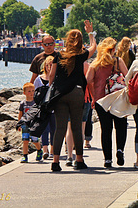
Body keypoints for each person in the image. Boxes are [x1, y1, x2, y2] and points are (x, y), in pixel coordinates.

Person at [48, 20, 96, 172]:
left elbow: (51, 76)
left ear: (67, 41)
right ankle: (79, 160)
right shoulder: (80, 55)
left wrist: (51, 90)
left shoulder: (59, 56)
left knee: (60, 128)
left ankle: (55, 162)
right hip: (76, 92)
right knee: (76, 127)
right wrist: (90, 33)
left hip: (60, 95)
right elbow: (94, 47)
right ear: (80, 42)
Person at [85, 37, 129, 169]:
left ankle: (108, 159)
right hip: (117, 98)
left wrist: (93, 96)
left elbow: (88, 80)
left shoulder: (95, 63)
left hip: (101, 100)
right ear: (114, 49)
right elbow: (127, 78)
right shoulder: (117, 61)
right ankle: (120, 150)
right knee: (121, 125)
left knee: (106, 129)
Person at [33, 56, 56, 160]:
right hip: (42, 108)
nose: (49, 67)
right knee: (44, 130)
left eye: (51, 65)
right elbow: (35, 93)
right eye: (47, 65)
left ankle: (53, 150)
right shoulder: (39, 79)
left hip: (54, 108)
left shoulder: (57, 78)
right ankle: (45, 150)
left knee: (54, 129)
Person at [17, 82, 43, 163]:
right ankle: (25, 156)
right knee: (25, 140)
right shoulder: (23, 103)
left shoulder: (36, 102)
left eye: (33, 91)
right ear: (24, 93)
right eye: (29, 91)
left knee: (35, 140)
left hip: (34, 124)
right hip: (25, 124)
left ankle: (39, 150)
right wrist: (19, 124)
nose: (31, 93)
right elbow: (21, 114)